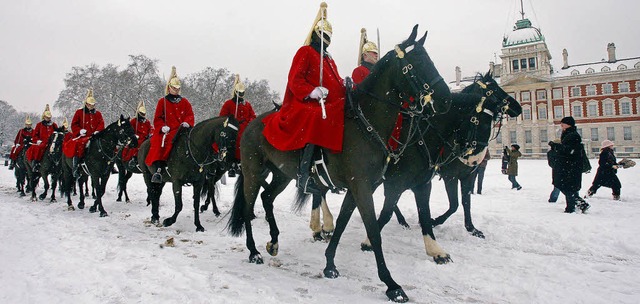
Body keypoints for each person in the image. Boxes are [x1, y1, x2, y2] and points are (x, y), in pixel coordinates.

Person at [262, 2, 345, 195]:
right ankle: (303, 175)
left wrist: (346, 86)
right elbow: (295, 79)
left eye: (329, 37)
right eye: (323, 35)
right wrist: (312, 91)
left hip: (326, 102)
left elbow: (336, 81)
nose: (326, 39)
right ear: (316, 34)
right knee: (316, 117)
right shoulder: (305, 52)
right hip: (303, 102)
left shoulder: (329, 58)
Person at [145, 66, 194, 183]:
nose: (176, 90)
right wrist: (162, 126)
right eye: (174, 88)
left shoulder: (185, 102)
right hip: (168, 130)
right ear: (169, 88)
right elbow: (157, 118)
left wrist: (187, 122)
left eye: (178, 88)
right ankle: (159, 168)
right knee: (160, 143)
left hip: (182, 129)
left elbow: (190, 114)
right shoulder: (163, 102)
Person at [548, 116, 590, 213]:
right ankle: (580, 204)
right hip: (569, 166)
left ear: (568, 124)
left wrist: (555, 146)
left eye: (563, 123)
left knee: (567, 188)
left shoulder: (572, 135)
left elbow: (569, 150)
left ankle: (571, 208)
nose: (561, 125)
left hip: (570, 166)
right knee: (568, 188)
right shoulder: (569, 134)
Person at [62, 89, 105, 178]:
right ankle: (76, 166)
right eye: (89, 105)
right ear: (86, 104)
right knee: (78, 145)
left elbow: (101, 123)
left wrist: (98, 131)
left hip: (95, 136)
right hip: (83, 136)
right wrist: (79, 131)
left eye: (93, 105)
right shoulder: (79, 112)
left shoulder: (98, 114)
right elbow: (74, 124)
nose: (91, 106)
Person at [219, 74, 256, 176]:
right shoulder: (229, 104)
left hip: (245, 128)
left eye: (242, 93)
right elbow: (222, 117)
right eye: (239, 93)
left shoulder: (247, 105)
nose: (241, 94)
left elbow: (252, 116)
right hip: (233, 128)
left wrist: (249, 123)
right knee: (232, 143)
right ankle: (231, 164)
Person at [26, 104, 58, 172]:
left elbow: (57, 133)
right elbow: (35, 135)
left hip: (52, 142)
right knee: (38, 149)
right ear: (44, 117)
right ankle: (36, 163)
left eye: (49, 117)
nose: (48, 119)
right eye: (47, 117)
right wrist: (37, 140)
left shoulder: (54, 125)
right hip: (42, 142)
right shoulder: (39, 125)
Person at [122, 101, 152, 170]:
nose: (143, 115)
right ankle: (134, 158)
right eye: (141, 113)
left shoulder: (147, 122)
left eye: (144, 114)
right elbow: (129, 131)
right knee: (136, 145)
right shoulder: (134, 121)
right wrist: (134, 136)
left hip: (145, 138)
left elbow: (150, 129)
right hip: (136, 138)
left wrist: (150, 135)